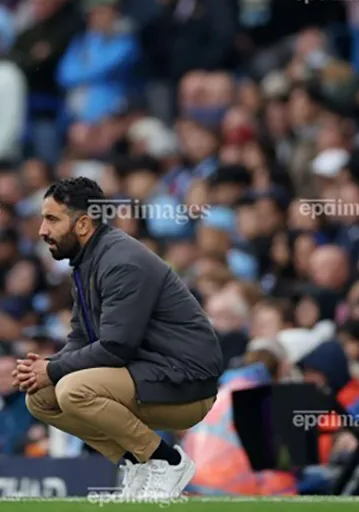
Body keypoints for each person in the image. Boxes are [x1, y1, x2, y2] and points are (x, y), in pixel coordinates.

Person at [14, 177, 224, 500]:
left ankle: (167, 461)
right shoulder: (88, 261)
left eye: (52, 219)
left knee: (72, 389)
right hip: (150, 374)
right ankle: (138, 466)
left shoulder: (121, 261)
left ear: (83, 224)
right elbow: (81, 337)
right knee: (40, 398)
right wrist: (45, 367)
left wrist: (55, 370)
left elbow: (116, 347)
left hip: (187, 383)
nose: (42, 230)